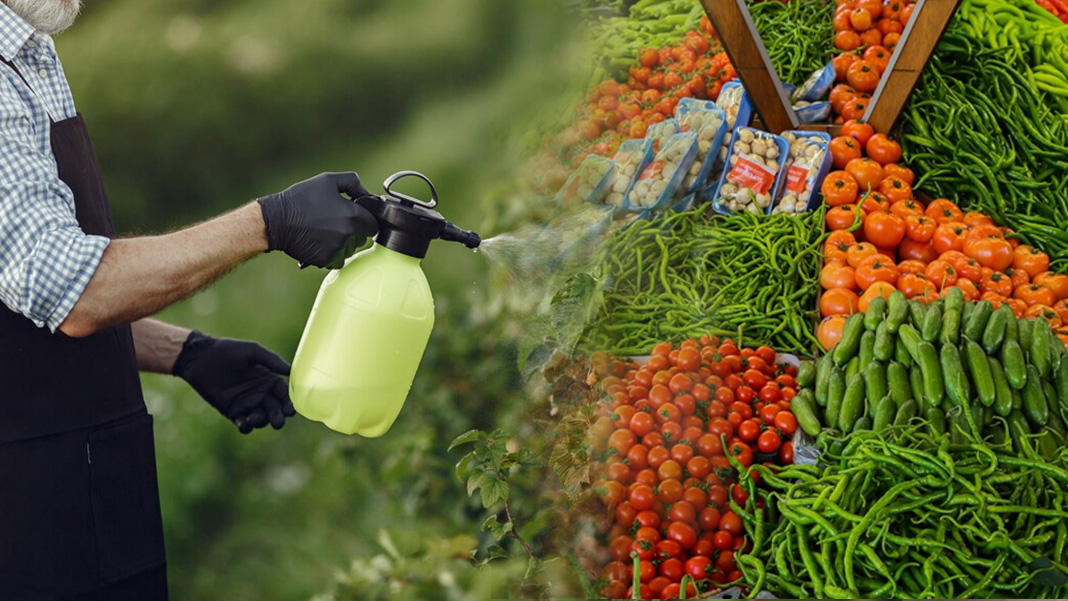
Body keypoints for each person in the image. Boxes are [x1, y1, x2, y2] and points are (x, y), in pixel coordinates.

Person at [0, 0, 378, 598]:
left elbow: (21, 293)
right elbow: (77, 290)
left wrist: (186, 352)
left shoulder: (30, 51)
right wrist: (267, 223)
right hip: (27, 522)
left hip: (86, 487)